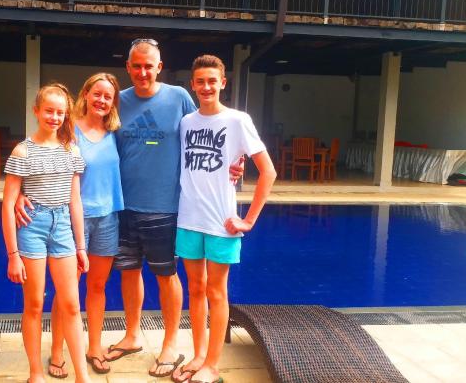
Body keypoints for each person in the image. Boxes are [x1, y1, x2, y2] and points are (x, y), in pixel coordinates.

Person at [171, 55, 276, 383]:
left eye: (212, 81)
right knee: (195, 290)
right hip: (188, 219)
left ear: (223, 83)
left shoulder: (237, 120)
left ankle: (212, 365)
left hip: (222, 223)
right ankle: (198, 356)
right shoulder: (186, 122)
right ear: (193, 84)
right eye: (200, 81)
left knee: (216, 293)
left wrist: (249, 220)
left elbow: (268, 172)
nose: (206, 87)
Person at [15, 73, 124, 377]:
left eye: (108, 96)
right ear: (85, 94)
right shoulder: (68, 127)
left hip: (107, 216)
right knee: (68, 294)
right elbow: (39, 156)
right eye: (96, 93)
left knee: (97, 286)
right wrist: (21, 193)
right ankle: (56, 352)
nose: (101, 100)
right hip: (70, 218)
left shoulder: (116, 132)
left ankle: (94, 348)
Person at [105, 38, 196, 378]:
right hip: (123, 206)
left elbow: (202, 134)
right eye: (137, 66)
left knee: (166, 275)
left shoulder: (179, 97)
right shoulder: (118, 101)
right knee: (129, 272)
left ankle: (170, 344)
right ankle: (132, 335)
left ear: (159, 67)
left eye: (149, 66)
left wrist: (233, 162)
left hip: (164, 207)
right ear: (128, 67)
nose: (143, 72)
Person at [1, 83, 92, 383]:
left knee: (72, 305)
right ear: (36, 111)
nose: (54, 117)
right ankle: (36, 373)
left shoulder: (71, 150)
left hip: (63, 227)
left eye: (60, 112)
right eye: (49, 111)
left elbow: (75, 201)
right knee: (35, 305)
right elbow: (8, 204)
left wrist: (81, 246)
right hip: (32, 228)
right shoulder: (22, 151)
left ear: (66, 115)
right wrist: (13, 255)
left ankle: (82, 376)